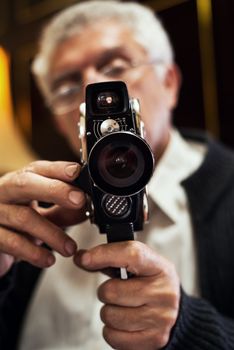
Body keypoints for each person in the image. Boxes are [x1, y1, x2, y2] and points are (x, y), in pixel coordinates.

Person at [0, 1, 234, 349]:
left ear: (169, 82)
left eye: (115, 64)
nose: (92, 87)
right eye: (66, 85)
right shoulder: (34, 208)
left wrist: (189, 327)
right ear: (60, 121)